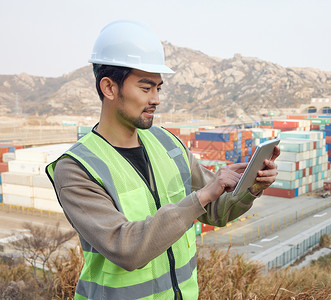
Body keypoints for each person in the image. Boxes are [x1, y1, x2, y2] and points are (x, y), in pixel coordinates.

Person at [46, 19, 279, 300]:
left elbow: (218, 210)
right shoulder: (76, 168)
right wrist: (202, 196)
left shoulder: (167, 143)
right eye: (146, 89)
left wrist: (251, 186)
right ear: (109, 88)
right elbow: (126, 249)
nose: (156, 99)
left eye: (159, 88)